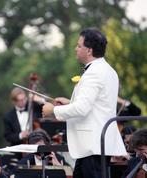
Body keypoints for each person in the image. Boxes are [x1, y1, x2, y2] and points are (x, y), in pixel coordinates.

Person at [42, 28, 127, 178]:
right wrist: (69, 103)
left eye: (79, 45)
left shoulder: (94, 72)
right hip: (94, 145)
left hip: (92, 145)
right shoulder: (108, 70)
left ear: (89, 50)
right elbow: (98, 105)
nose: (76, 49)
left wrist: (53, 111)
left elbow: (82, 109)